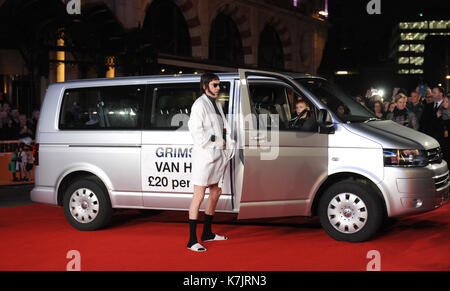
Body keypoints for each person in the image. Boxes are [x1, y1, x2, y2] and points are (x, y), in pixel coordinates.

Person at [186, 73, 235, 252]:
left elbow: (223, 126)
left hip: (217, 156)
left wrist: (228, 140)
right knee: (198, 196)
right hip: (205, 157)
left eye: (219, 85)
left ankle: (207, 232)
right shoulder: (199, 105)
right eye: (215, 85)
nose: (218, 88)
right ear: (205, 86)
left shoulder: (216, 103)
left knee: (215, 192)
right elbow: (196, 132)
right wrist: (217, 141)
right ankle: (192, 240)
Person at [437, 96, 450, 163]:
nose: (444, 103)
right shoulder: (440, 112)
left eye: (446, 101)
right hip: (442, 141)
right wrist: (438, 117)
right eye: (443, 101)